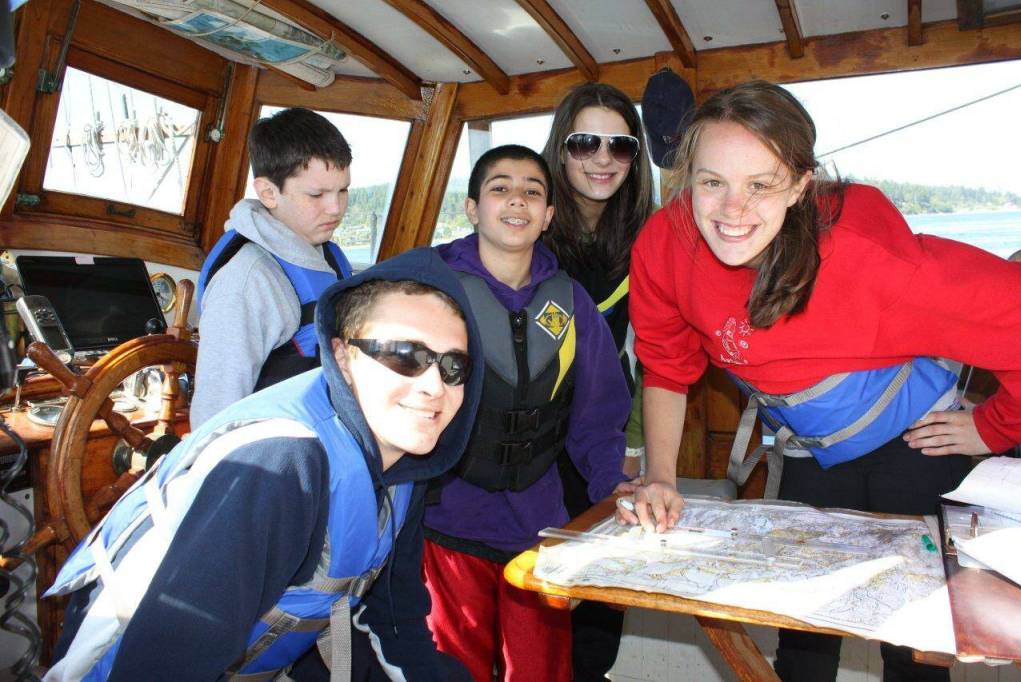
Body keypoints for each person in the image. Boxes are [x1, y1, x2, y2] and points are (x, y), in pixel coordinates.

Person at [622, 79, 1021, 682]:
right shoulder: (663, 245)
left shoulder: (873, 260)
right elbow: (666, 363)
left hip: (914, 446)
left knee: (913, 636)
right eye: (712, 182)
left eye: (760, 184)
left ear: (801, 185)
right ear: (686, 179)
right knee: (803, 625)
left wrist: (993, 427)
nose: (732, 211)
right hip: (809, 448)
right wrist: (659, 475)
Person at [44, 247, 483, 681]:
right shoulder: (279, 468)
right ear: (343, 357)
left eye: (453, 366)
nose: (433, 386)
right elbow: (162, 660)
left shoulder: (404, 468)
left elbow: (395, 616)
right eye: (404, 354)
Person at [422, 144, 633, 681]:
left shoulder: (572, 302)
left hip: (538, 530)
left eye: (532, 192)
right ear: (472, 209)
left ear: (548, 216)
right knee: (452, 672)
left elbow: (598, 413)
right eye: (500, 188)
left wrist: (613, 487)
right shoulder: (432, 289)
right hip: (448, 526)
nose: (516, 200)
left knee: (540, 672)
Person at [539, 81, 655, 681]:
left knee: (601, 594)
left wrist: (635, 449)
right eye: (585, 142)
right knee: (537, 596)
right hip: (531, 440)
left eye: (621, 145)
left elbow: (654, 357)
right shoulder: (529, 232)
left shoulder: (648, 244)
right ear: (562, 149)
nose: (603, 158)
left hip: (605, 438)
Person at [192, 107, 354, 429]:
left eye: (343, 190)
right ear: (268, 193)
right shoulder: (247, 281)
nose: (336, 208)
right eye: (317, 194)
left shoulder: (329, 256)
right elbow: (215, 414)